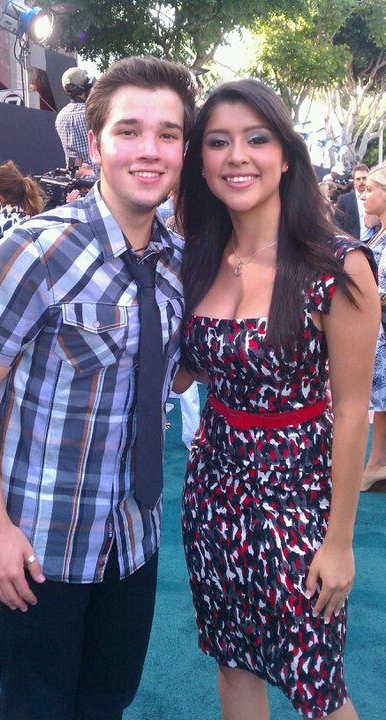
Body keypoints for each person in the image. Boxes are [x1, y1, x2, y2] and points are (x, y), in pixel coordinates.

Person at [0, 56, 196, 720]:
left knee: (106, 703)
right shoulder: (36, 250)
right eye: (128, 131)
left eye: (168, 133)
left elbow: (167, 375)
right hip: (39, 543)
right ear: (94, 145)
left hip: (132, 537)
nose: (148, 150)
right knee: (36, 705)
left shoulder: (179, 265)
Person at [173, 79, 379, 719]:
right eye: (218, 142)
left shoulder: (338, 265)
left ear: (286, 154)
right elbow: (175, 376)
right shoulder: (197, 260)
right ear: (199, 162)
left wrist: (339, 540)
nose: (238, 156)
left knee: (316, 687)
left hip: (299, 499)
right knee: (234, 664)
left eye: (257, 139)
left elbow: (352, 410)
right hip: (212, 490)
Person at [359, 163, 386, 491]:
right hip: (375, 328)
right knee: (380, 401)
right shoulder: (375, 232)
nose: (364, 195)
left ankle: (375, 463)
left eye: (371, 190)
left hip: (380, 325)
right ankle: (377, 462)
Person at [55, 66, 100, 175]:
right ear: (86, 87)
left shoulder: (60, 117)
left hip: (74, 177)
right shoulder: (92, 113)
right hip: (97, 178)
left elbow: (73, 158)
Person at [335, 163, 379, 242]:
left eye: (364, 178)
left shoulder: (376, 198)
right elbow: (338, 224)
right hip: (352, 244)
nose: (361, 181)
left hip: (372, 242)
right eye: (358, 179)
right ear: (354, 182)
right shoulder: (343, 200)